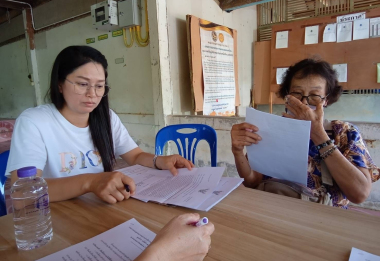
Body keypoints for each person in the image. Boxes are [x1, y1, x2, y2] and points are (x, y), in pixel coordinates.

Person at [5, 46, 213, 260]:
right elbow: (24, 196)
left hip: (99, 213)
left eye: (99, 86)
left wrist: (160, 160)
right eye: (82, 84)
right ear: (59, 84)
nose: (92, 94)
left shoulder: (106, 117)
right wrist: (91, 182)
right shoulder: (35, 122)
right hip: (54, 224)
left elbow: (134, 155)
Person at [231, 58, 379, 208]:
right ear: (287, 96)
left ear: (326, 100)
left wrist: (318, 135)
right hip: (274, 210)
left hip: (324, 219)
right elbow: (252, 182)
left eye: (314, 95)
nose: (304, 102)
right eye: (297, 93)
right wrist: (237, 151)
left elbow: (359, 194)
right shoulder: (273, 127)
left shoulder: (345, 133)